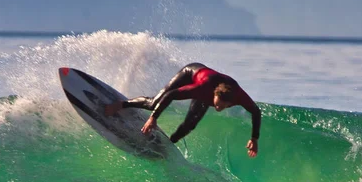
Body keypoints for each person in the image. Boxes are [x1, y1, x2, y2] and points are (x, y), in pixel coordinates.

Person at [105, 63, 261, 157]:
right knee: (154, 103)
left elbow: (256, 111)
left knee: (190, 125)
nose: (218, 108)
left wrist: (254, 138)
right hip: (190, 73)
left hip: (208, 88)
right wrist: (153, 118)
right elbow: (171, 95)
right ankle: (122, 104)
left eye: (222, 106)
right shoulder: (202, 89)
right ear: (214, 95)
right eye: (217, 104)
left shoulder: (239, 97)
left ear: (230, 103)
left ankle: (169, 144)